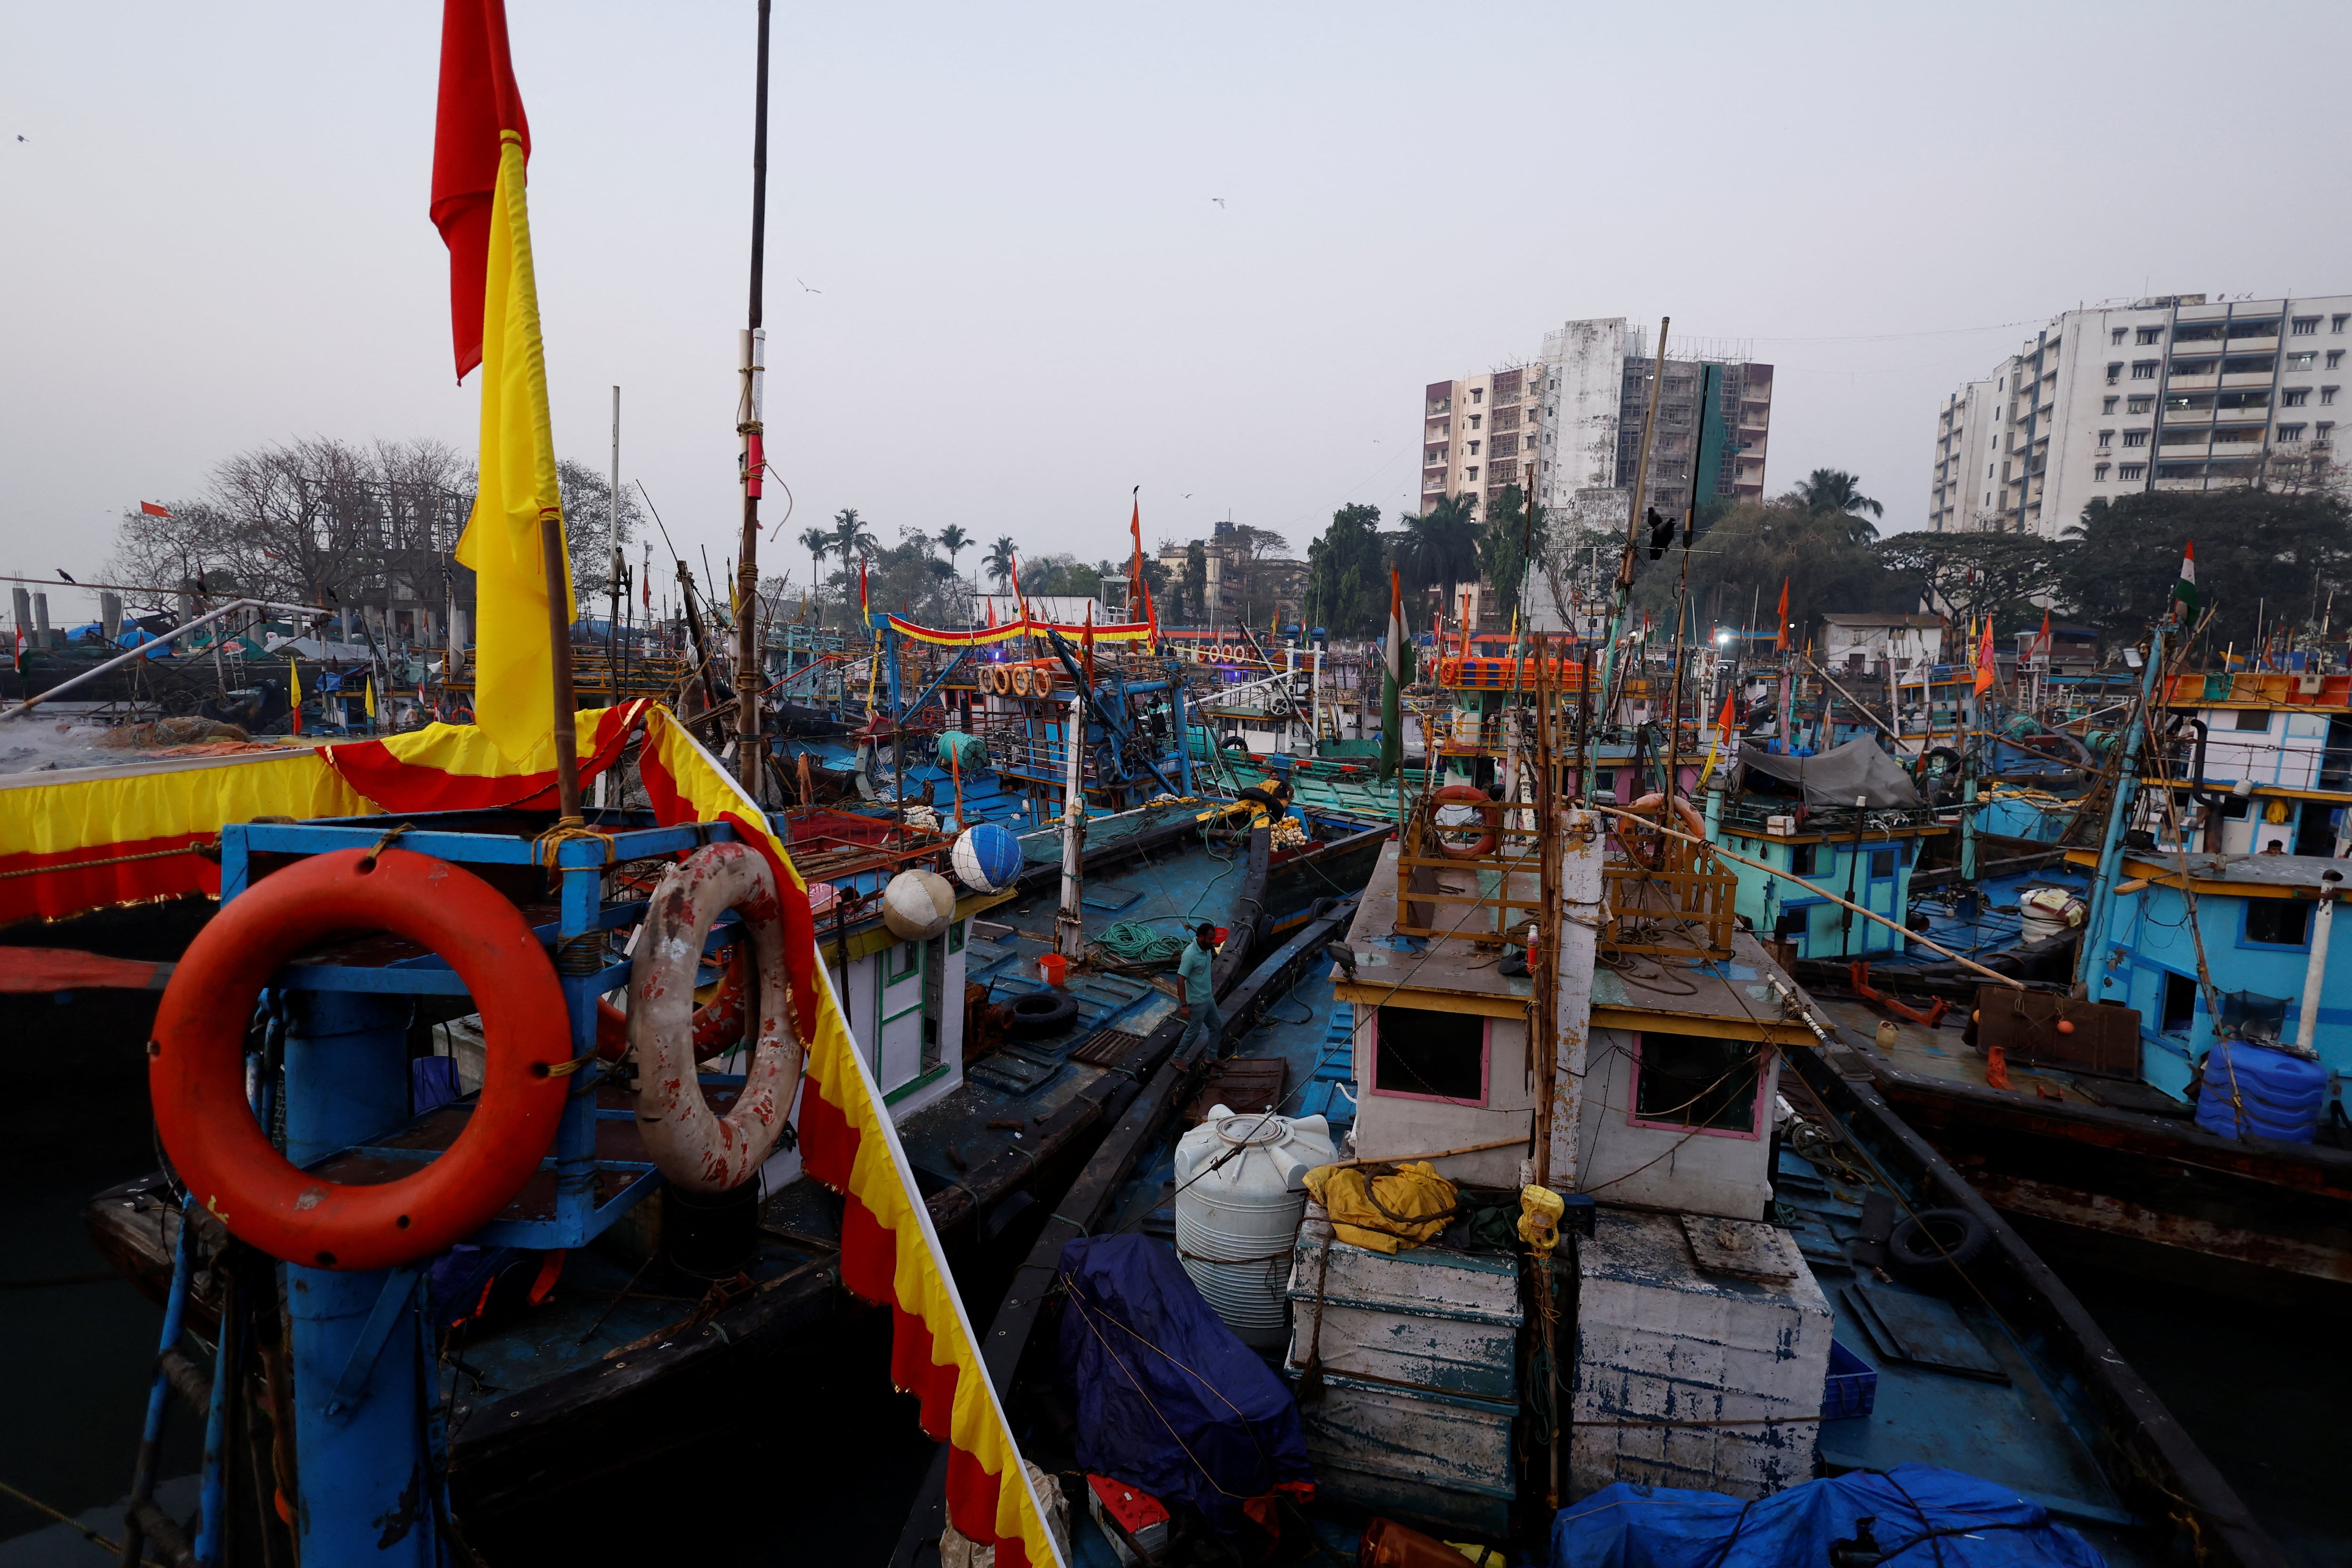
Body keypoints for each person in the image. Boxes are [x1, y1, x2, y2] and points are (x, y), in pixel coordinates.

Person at [1176, 921, 1223, 1057]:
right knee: (1193, 1032)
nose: (1213, 942)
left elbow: (1202, 934)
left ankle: (1212, 1058)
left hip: (1208, 998)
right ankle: (1177, 1058)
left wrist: (1191, 927)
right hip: (1196, 1002)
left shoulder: (1206, 946)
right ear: (1201, 938)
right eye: (1211, 939)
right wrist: (1184, 1006)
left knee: (1216, 1026)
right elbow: (1180, 979)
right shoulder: (1189, 955)